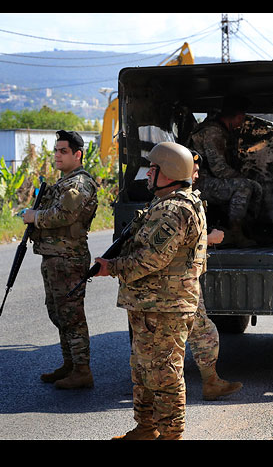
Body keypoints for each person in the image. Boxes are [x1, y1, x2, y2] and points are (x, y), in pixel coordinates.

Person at [94, 142, 207, 440]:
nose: (147, 174)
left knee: (165, 374)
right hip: (152, 304)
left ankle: (172, 435)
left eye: (153, 169)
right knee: (143, 370)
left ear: (169, 172)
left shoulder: (174, 210)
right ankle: (146, 428)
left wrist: (113, 267)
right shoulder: (166, 203)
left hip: (166, 306)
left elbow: (152, 258)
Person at [22, 130, 99, 389]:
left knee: (72, 315)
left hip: (69, 258)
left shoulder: (79, 184)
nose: (57, 155)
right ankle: (70, 364)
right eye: (56, 150)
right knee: (58, 313)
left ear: (77, 154)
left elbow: (65, 214)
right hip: (55, 257)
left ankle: (82, 370)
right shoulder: (66, 182)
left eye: (63, 151)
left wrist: (36, 217)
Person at [188, 149, 243, 400]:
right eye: (194, 168)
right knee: (201, 332)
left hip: (178, 282)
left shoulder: (181, 198)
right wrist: (209, 239)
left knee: (200, 332)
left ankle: (211, 382)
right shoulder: (181, 203)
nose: (198, 174)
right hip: (176, 285)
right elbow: (174, 244)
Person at [188, 95, 262, 247]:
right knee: (245, 186)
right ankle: (236, 233)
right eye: (242, 118)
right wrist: (243, 179)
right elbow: (219, 169)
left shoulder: (218, 129)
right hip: (197, 183)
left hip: (201, 180)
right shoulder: (213, 132)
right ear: (239, 116)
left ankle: (243, 230)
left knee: (249, 185)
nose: (242, 122)